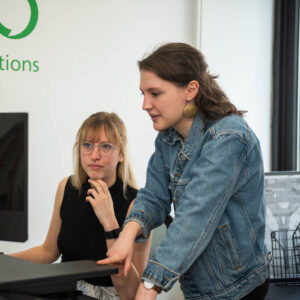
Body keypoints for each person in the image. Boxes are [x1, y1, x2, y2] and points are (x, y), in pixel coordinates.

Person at [99, 43, 270, 300]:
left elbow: (193, 219)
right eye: (143, 93)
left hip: (237, 288)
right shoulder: (169, 137)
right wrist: (127, 235)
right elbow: (154, 197)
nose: (145, 104)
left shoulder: (228, 138)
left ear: (190, 90)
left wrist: (149, 287)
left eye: (155, 93)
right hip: (198, 287)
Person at [11, 112, 151, 300]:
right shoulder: (66, 187)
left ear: (121, 155)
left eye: (106, 147)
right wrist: (5, 260)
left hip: (106, 294)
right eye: (87, 145)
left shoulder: (139, 204)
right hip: (63, 286)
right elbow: (48, 252)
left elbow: (132, 293)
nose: (94, 155)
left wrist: (109, 222)